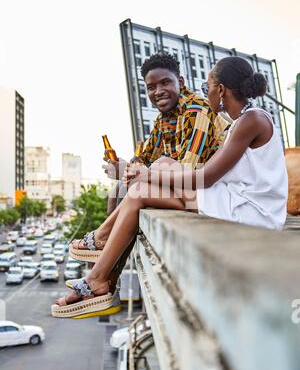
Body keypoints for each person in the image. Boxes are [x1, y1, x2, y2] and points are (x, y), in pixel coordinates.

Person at [52, 56, 288, 319]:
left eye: (206, 86)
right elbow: (196, 172)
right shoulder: (241, 121)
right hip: (234, 201)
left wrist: (146, 174)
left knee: (148, 181)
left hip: (252, 213)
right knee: (149, 180)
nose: (204, 92)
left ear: (220, 89)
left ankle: (99, 267)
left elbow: (204, 177)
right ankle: (100, 274)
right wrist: (142, 172)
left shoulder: (252, 120)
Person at [68, 53, 229, 282]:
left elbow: (186, 170)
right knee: (118, 191)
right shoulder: (163, 119)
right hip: (186, 188)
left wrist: (139, 172)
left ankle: (102, 263)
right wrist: (123, 167)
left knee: (144, 181)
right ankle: (106, 277)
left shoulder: (196, 110)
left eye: (165, 83)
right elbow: (141, 159)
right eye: (151, 87)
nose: (158, 91)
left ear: (181, 83)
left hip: (206, 191)